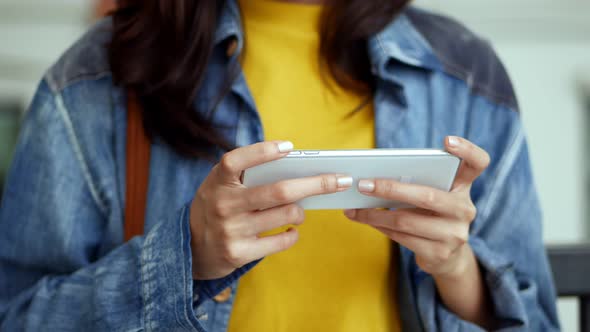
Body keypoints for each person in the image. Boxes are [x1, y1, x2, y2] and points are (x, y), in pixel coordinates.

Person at [0, 0, 560, 331]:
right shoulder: (92, 81)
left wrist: (457, 270)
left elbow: (537, 319)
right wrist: (184, 258)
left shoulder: (465, 75)